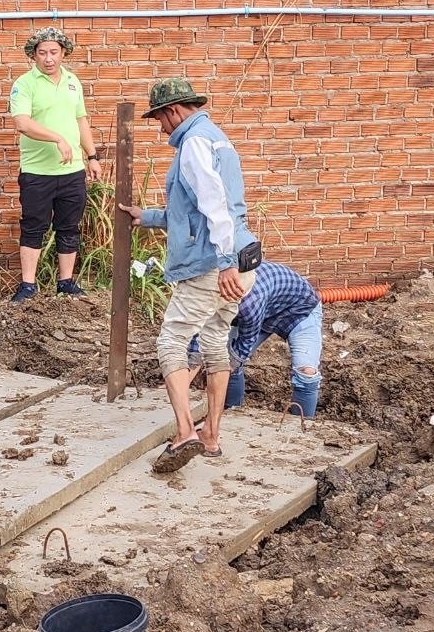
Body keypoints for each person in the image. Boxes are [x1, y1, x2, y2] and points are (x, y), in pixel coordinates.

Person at [120, 78, 260, 472]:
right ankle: (211, 435)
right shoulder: (217, 139)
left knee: (172, 340)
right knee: (215, 339)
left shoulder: (194, 143)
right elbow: (196, 210)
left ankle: (184, 432)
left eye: (160, 119)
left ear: (174, 111)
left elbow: (215, 207)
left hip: (214, 266)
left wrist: (224, 262)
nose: (161, 127)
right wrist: (148, 217)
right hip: (243, 259)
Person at [8, 26, 102, 303]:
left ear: (63, 53)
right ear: (33, 55)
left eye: (53, 52)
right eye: (42, 53)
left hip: (72, 172)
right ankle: (28, 286)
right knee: (33, 226)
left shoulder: (73, 82)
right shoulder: (25, 84)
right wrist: (57, 138)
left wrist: (92, 156)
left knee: (69, 226)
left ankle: (66, 283)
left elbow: (80, 120)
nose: (48, 58)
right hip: (37, 172)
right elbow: (22, 123)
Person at [188, 261, 323, 419]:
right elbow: (199, 337)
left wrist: (225, 368)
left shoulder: (249, 302)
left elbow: (245, 343)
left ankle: (302, 426)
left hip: (300, 311)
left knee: (306, 373)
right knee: (225, 361)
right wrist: (181, 383)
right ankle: (230, 417)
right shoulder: (206, 291)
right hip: (265, 309)